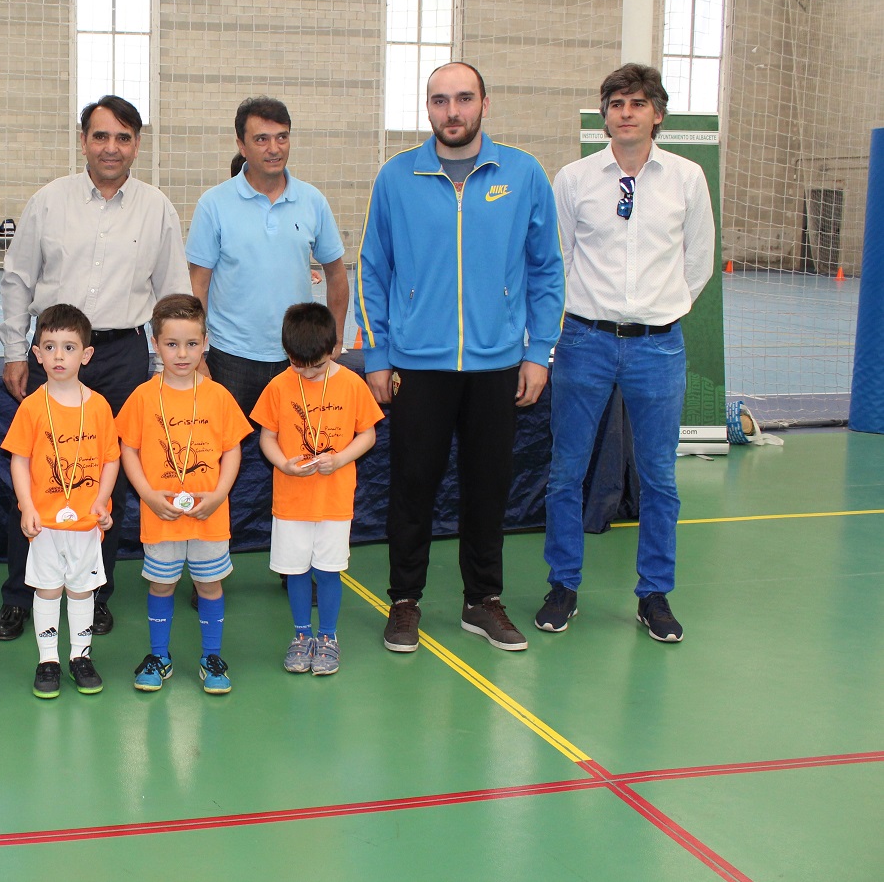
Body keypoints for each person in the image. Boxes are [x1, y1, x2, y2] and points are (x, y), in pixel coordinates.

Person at [356, 61, 565, 655]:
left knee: (488, 488)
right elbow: (374, 269)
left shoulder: (522, 174)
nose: (453, 111)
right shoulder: (396, 177)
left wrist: (537, 351)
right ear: (428, 109)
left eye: (464, 99)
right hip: (417, 365)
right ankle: (404, 600)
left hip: (498, 365)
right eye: (440, 100)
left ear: (484, 104)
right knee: (412, 487)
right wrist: (377, 354)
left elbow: (548, 270)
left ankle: (483, 601)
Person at [0, 95, 191, 640]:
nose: (112, 147)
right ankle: (21, 594)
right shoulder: (48, 202)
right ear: (83, 139)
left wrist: (173, 364)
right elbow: (16, 280)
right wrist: (17, 350)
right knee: (38, 476)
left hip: (122, 356)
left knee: (111, 479)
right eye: (101, 136)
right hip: (54, 353)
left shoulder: (157, 208)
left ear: (136, 145)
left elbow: (173, 291)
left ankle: (94, 592)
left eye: (124, 137)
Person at [536, 64, 714, 643]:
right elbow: (556, 258)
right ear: (605, 114)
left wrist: (659, 310)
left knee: (661, 478)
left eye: (638, 103)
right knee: (565, 473)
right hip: (584, 343)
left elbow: (699, 261)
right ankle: (563, 584)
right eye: (616, 103)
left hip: (658, 348)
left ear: (657, 114)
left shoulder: (687, 179)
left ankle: (654, 594)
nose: (626, 112)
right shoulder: (575, 178)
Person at [117, 294, 250, 695]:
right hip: (162, 515)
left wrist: (220, 493)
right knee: (161, 585)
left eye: (192, 344)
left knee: (210, 586)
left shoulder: (218, 395)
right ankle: (160, 656)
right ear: (155, 344)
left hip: (209, 515)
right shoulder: (143, 397)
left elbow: (232, 449)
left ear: (205, 342)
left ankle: (212, 657)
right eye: (172, 344)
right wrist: (148, 495)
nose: (182, 353)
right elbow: (129, 449)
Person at [187, 96, 350, 418]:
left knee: (296, 453)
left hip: (299, 357)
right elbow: (198, 285)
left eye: (282, 137)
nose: (274, 148)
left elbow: (336, 273)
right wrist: (197, 352)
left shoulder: (313, 200)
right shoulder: (213, 204)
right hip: (230, 357)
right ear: (241, 145)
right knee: (227, 456)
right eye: (261, 139)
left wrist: (336, 341)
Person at [251, 303, 382, 676]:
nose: (307, 372)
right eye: (298, 365)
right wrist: (282, 463)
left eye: (317, 366)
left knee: (328, 570)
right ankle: (300, 634)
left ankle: (327, 637)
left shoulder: (352, 384)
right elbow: (268, 437)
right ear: (287, 355)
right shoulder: (278, 386)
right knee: (295, 572)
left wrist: (341, 459)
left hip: (334, 501)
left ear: (334, 349)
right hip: (291, 501)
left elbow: (368, 433)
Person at [1, 304, 120, 698]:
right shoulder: (33, 407)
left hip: (85, 524)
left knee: (82, 592)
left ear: (85, 355)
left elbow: (110, 459)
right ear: (36, 354)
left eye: (69, 348)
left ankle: (80, 656)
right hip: (47, 526)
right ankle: (48, 659)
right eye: (49, 347)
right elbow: (19, 461)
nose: (58, 356)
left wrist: (102, 501)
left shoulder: (99, 406)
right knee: (48, 591)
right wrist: (27, 507)